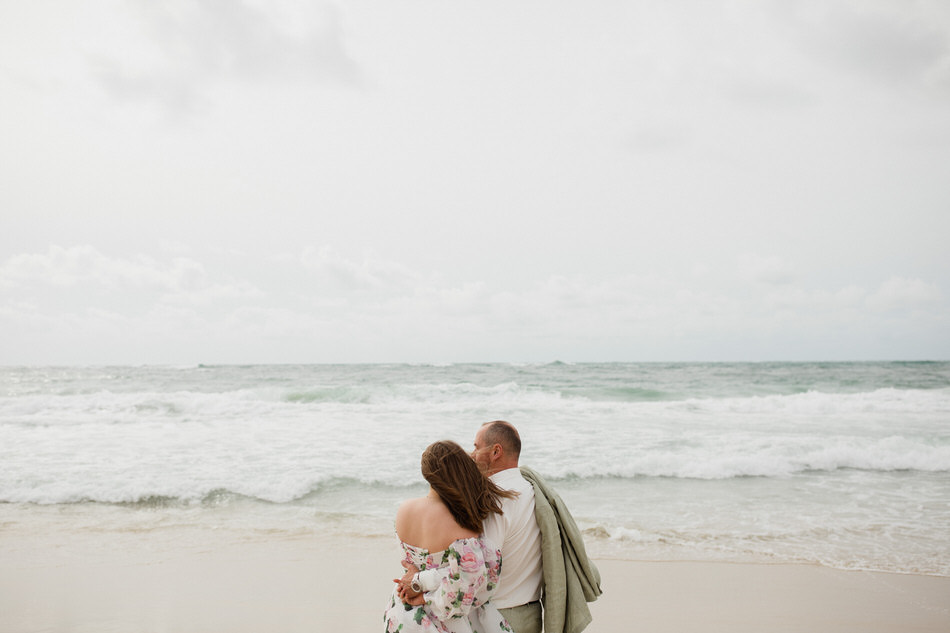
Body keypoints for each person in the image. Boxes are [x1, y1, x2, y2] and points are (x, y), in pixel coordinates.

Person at [401, 421, 602, 633]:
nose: (472, 454)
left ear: (496, 451)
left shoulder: (493, 501)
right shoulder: (531, 489)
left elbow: (477, 574)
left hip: (497, 619)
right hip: (531, 616)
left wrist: (418, 581)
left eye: (477, 447)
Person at [384, 440, 516, 633]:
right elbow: (466, 590)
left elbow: (408, 562)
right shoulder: (461, 525)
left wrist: (416, 580)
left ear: (426, 474)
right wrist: (424, 598)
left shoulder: (404, 510)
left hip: (403, 612)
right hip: (447, 620)